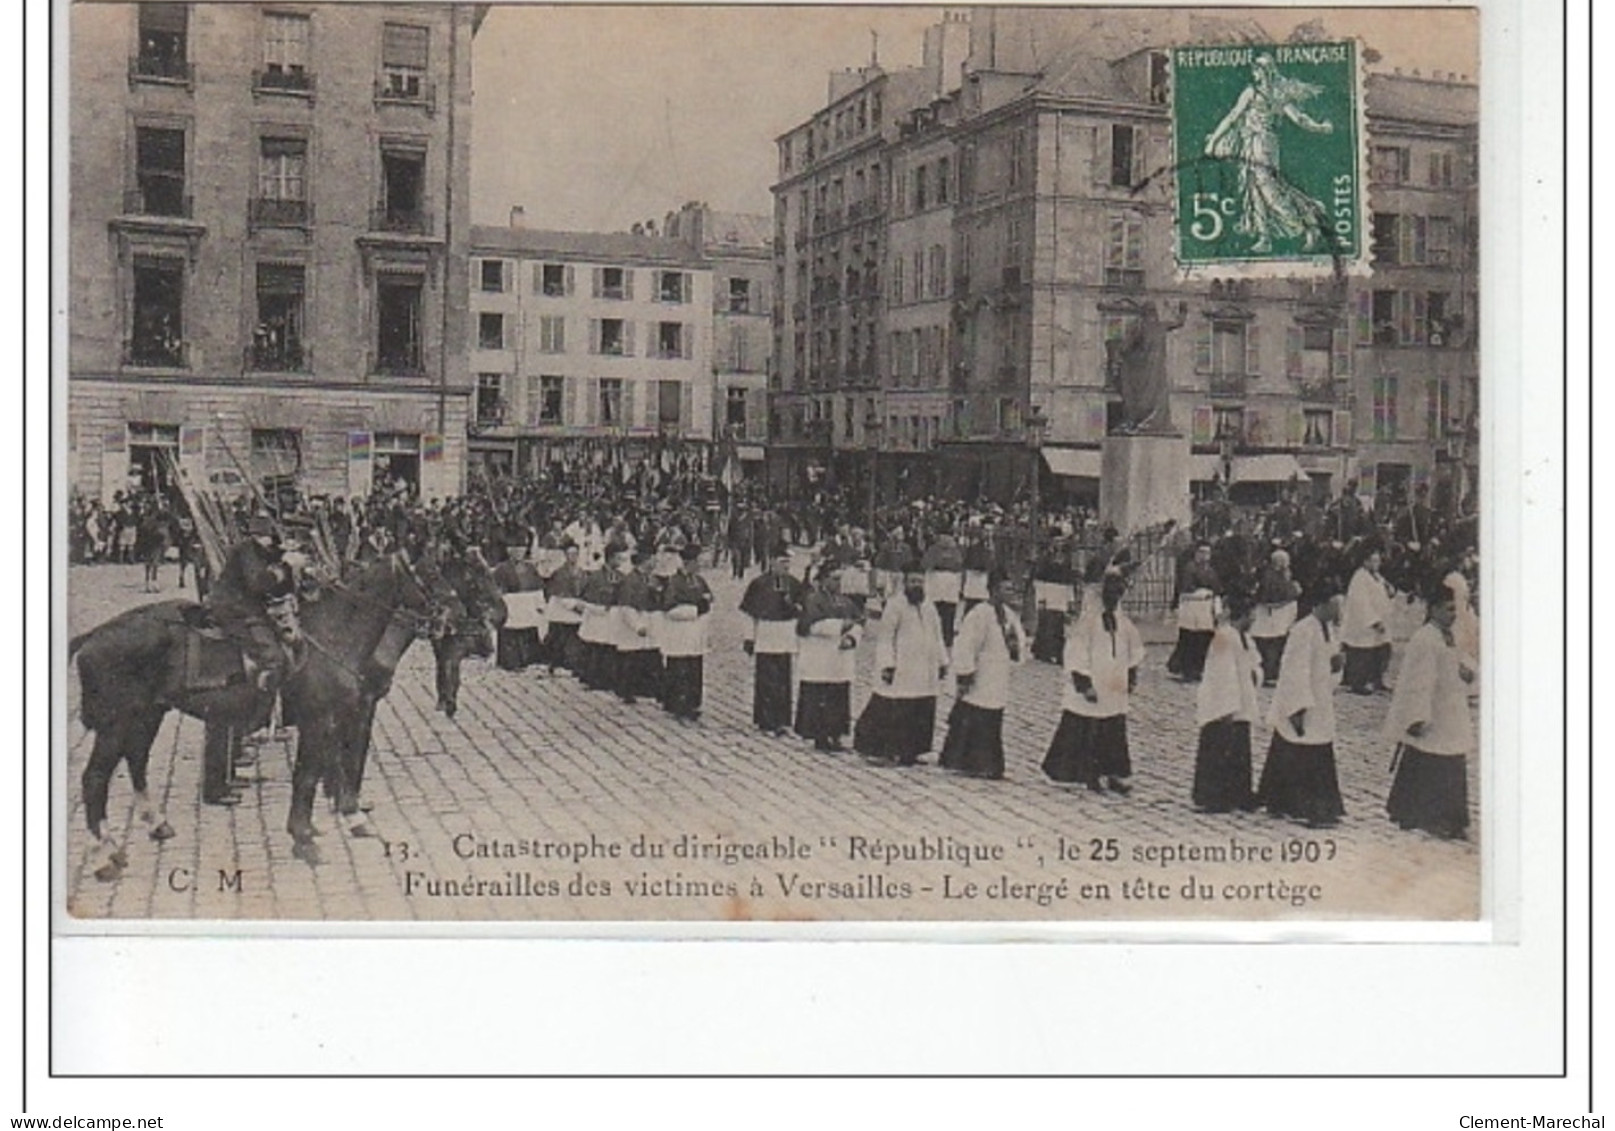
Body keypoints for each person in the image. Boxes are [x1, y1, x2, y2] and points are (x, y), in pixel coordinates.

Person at [1202, 52, 1335, 253]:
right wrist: (1214, 140)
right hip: (1250, 143)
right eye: (1254, 68)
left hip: (1265, 144)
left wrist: (1320, 128)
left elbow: (1299, 118)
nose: (1254, 72)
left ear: (1266, 71)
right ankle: (1264, 238)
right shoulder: (1252, 92)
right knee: (1253, 188)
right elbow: (1233, 117)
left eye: (1257, 69)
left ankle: (1307, 224)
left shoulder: (1275, 94)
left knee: (1269, 189)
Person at [1383, 579, 1476, 839]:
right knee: (1430, 760)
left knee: (1451, 759)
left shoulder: (1450, 635)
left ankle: (1451, 817)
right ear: (1433, 609)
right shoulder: (1424, 639)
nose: (1453, 615)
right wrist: (1416, 716)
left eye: (1455, 609)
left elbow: (1460, 661)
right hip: (1432, 711)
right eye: (1448, 609)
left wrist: (1468, 673)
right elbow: (1417, 682)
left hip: (1451, 709)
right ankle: (1424, 815)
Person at [1256, 574, 1347, 828]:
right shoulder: (1303, 630)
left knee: (1310, 746)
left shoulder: (1327, 630)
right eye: (1335, 604)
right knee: (1299, 745)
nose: (1338, 610)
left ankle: (1297, 801)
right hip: (1303, 701)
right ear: (1321, 604)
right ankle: (1295, 803)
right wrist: (1297, 707)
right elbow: (1294, 671)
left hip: (1320, 699)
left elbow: (1323, 666)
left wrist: (1335, 666)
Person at [1041, 570, 1143, 793]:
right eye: (1111, 593)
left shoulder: (1123, 623)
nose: (1114, 598)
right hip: (1093, 684)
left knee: (1113, 730)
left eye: (1118, 593)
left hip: (1114, 685)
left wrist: (1132, 675)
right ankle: (1083, 773)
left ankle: (1114, 774)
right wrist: (1084, 683)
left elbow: (1134, 650)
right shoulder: (1087, 622)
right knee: (1084, 727)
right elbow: (1076, 653)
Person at [853, 564, 949, 767]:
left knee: (921, 707)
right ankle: (889, 750)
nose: (917, 586)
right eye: (913, 581)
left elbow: (937, 635)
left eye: (920, 582)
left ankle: (914, 751)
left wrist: (942, 661)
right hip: (903, 665)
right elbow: (886, 638)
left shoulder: (929, 607)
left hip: (925, 667)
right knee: (897, 707)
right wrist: (888, 664)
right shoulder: (895, 606)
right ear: (905, 583)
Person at [939, 571, 1027, 780]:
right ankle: (964, 761)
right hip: (980, 674)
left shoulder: (1008, 615)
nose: (1010, 593)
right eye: (1006, 589)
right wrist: (965, 674)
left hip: (998, 674)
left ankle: (988, 763)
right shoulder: (979, 614)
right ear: (994, 590)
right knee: (974, 715)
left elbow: (1019, 640)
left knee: (992, 718)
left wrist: (1016, 647)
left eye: (1011, 589)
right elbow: (966, 645)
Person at [1191, 590, 1263, 813]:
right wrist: (1227, 707)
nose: (1254, 619)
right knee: (1219, 747)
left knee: (1239, 749)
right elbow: (1222, 674)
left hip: (1241, 701)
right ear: (1243, 615)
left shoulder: (1245, 639)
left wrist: (1255, 675)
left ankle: (1240, 793)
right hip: (1224, 705)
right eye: (1252, 615)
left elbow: (1255, 664)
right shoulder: (1224, 637)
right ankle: (1213, 797)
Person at [208, 515, 297, 693]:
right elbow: (257, 584)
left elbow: (276, 586)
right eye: (268, 537)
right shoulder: (246, 551)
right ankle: (263, 700)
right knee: (272, 655)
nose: (270, 542)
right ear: (260, 536)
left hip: (247, 606)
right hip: (233, 607)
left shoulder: (261, 552)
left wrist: (287, 568)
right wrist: (283, 568)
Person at [794, 568, 863, 752]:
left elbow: (859, 621)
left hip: (840, 656)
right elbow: (810, 626)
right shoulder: (813, 600)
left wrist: (852, 637)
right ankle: (820, 736)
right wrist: (840, 626)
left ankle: (837, 734)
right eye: (834, 579)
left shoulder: (846, 601)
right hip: (820, 655)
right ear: (823, 580)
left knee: (838, 695)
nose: (837, 584)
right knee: (820, 695)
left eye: (840, 579)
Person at [740, 545, 806, 736]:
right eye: (782, 562)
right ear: (772, 562)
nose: (786, 566)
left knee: (783, 680)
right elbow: (749, 613)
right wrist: (749, 637)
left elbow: (801, 609)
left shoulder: (794, 583)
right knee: (767, 680)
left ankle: (782, 720)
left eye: (788, 562)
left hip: (785, 635)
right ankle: (766, 720)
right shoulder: (759, 584)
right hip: (766, 634)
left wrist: (792, 606)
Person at [659, 544, 713, 722]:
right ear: (688, 562)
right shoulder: (675, 582)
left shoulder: (698, 580)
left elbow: (708, 596)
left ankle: (692, 703)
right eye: (696, 562)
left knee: (694, 669)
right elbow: (669, 609)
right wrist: (695, 609)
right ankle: (677, 705)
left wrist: (706, 602)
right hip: (680, 632)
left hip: (696, 633)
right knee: (679, 669)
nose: (699, 565)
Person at [1340, 545, 1394, 694]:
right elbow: (1361, 602)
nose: (1377, 564)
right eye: (1373, 561)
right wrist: (1374, 621)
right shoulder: (1360, 578)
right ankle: (1358, 682)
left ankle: (1377, 680)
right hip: (1363, 623)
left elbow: (1383, 590)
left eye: (1378, 561)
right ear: (1365, 562)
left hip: (1380, 619)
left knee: (1382, 650)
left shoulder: (1376, 576)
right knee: (1362, 653)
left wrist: (1389, 590)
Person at [614, 547, 663, 706]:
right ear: (643, 562)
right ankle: (626, 691)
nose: (654, 562)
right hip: (635, 623)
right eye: (651, 560)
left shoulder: (650, 578)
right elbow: (626, 606)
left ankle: (652, 690)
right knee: (631, 659)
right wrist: (637, 626)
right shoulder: (630, 581)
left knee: (651, 658)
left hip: (649, 620)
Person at [1166, 542, 1220, 681]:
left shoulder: (1211, 570)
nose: (1204, 556)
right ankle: (1186, 668)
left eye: (1207, 553)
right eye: (1201, 552)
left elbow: (1216, 588)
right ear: (1196, 553)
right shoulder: (1190, 568)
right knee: (1190, 638)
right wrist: (1201, 592)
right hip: (1192, 606)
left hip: (1206, 608)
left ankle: (1198, 668)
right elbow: (1186, 588)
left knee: (1204, 638)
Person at [1250, 548, 1301, 686]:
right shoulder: (1270, 576)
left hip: (1280, 617)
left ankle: (1273, 673)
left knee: (1276, 644)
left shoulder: (1282, 575)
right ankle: (1269, 674)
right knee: (1270, 646)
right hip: (1271, 616)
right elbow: (1272, 596)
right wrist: (1293, 590)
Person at [491, 542, 544, 672]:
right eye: (515, 550)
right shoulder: (501, 569)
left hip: (527, 603)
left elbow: (538, 587)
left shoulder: (531, 568)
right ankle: (510, 662)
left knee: (528, 631)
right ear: (509, 551)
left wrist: (540, 604)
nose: (518, 552)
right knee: (510, 633)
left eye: (521, 549)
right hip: (511, 604)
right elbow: (495, 589)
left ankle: (529, 660)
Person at [543, 541, 585, 675]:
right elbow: (559, 594)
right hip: (562, 610)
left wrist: (582, 605)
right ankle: (556, 664)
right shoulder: (559, 573)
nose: (573, 557)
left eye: (575, 554)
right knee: (559, 639)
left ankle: (572, 664)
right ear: (565, 555)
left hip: (577, 611)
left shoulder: (582, 573)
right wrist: (574, 605)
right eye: (570, 554)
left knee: (574, 639)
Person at [921, 528, 964, 648]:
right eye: (944, 537)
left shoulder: (956, 551)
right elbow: (926, 564)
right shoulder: (933, 550)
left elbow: (959, 565)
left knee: (949, 612)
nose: (946, 540)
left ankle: (947, 637)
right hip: (935, 582)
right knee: (934, 610)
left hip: (950, 583)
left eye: (948, 537)